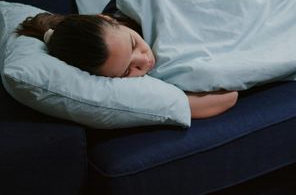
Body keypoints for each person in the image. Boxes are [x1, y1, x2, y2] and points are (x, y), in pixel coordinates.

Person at [16, 11, 238, 119]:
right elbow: (230, 95)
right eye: (126, 71)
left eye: (133, 44)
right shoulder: (149, 81)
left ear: (107, 18)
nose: (144, 61)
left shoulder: (141, 9)